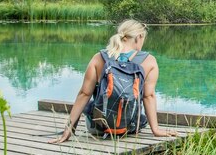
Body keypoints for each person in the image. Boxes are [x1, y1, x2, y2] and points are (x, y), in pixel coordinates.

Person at [49, 19, 179, 143]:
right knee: (142, 117)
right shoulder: (149, 61)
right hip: (130, 129)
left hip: (99, 128)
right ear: (139, 36)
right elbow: (148, 96)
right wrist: (156, 130)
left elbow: (84, 93)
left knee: (91, 105)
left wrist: (69, 129)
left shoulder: (99, 57)